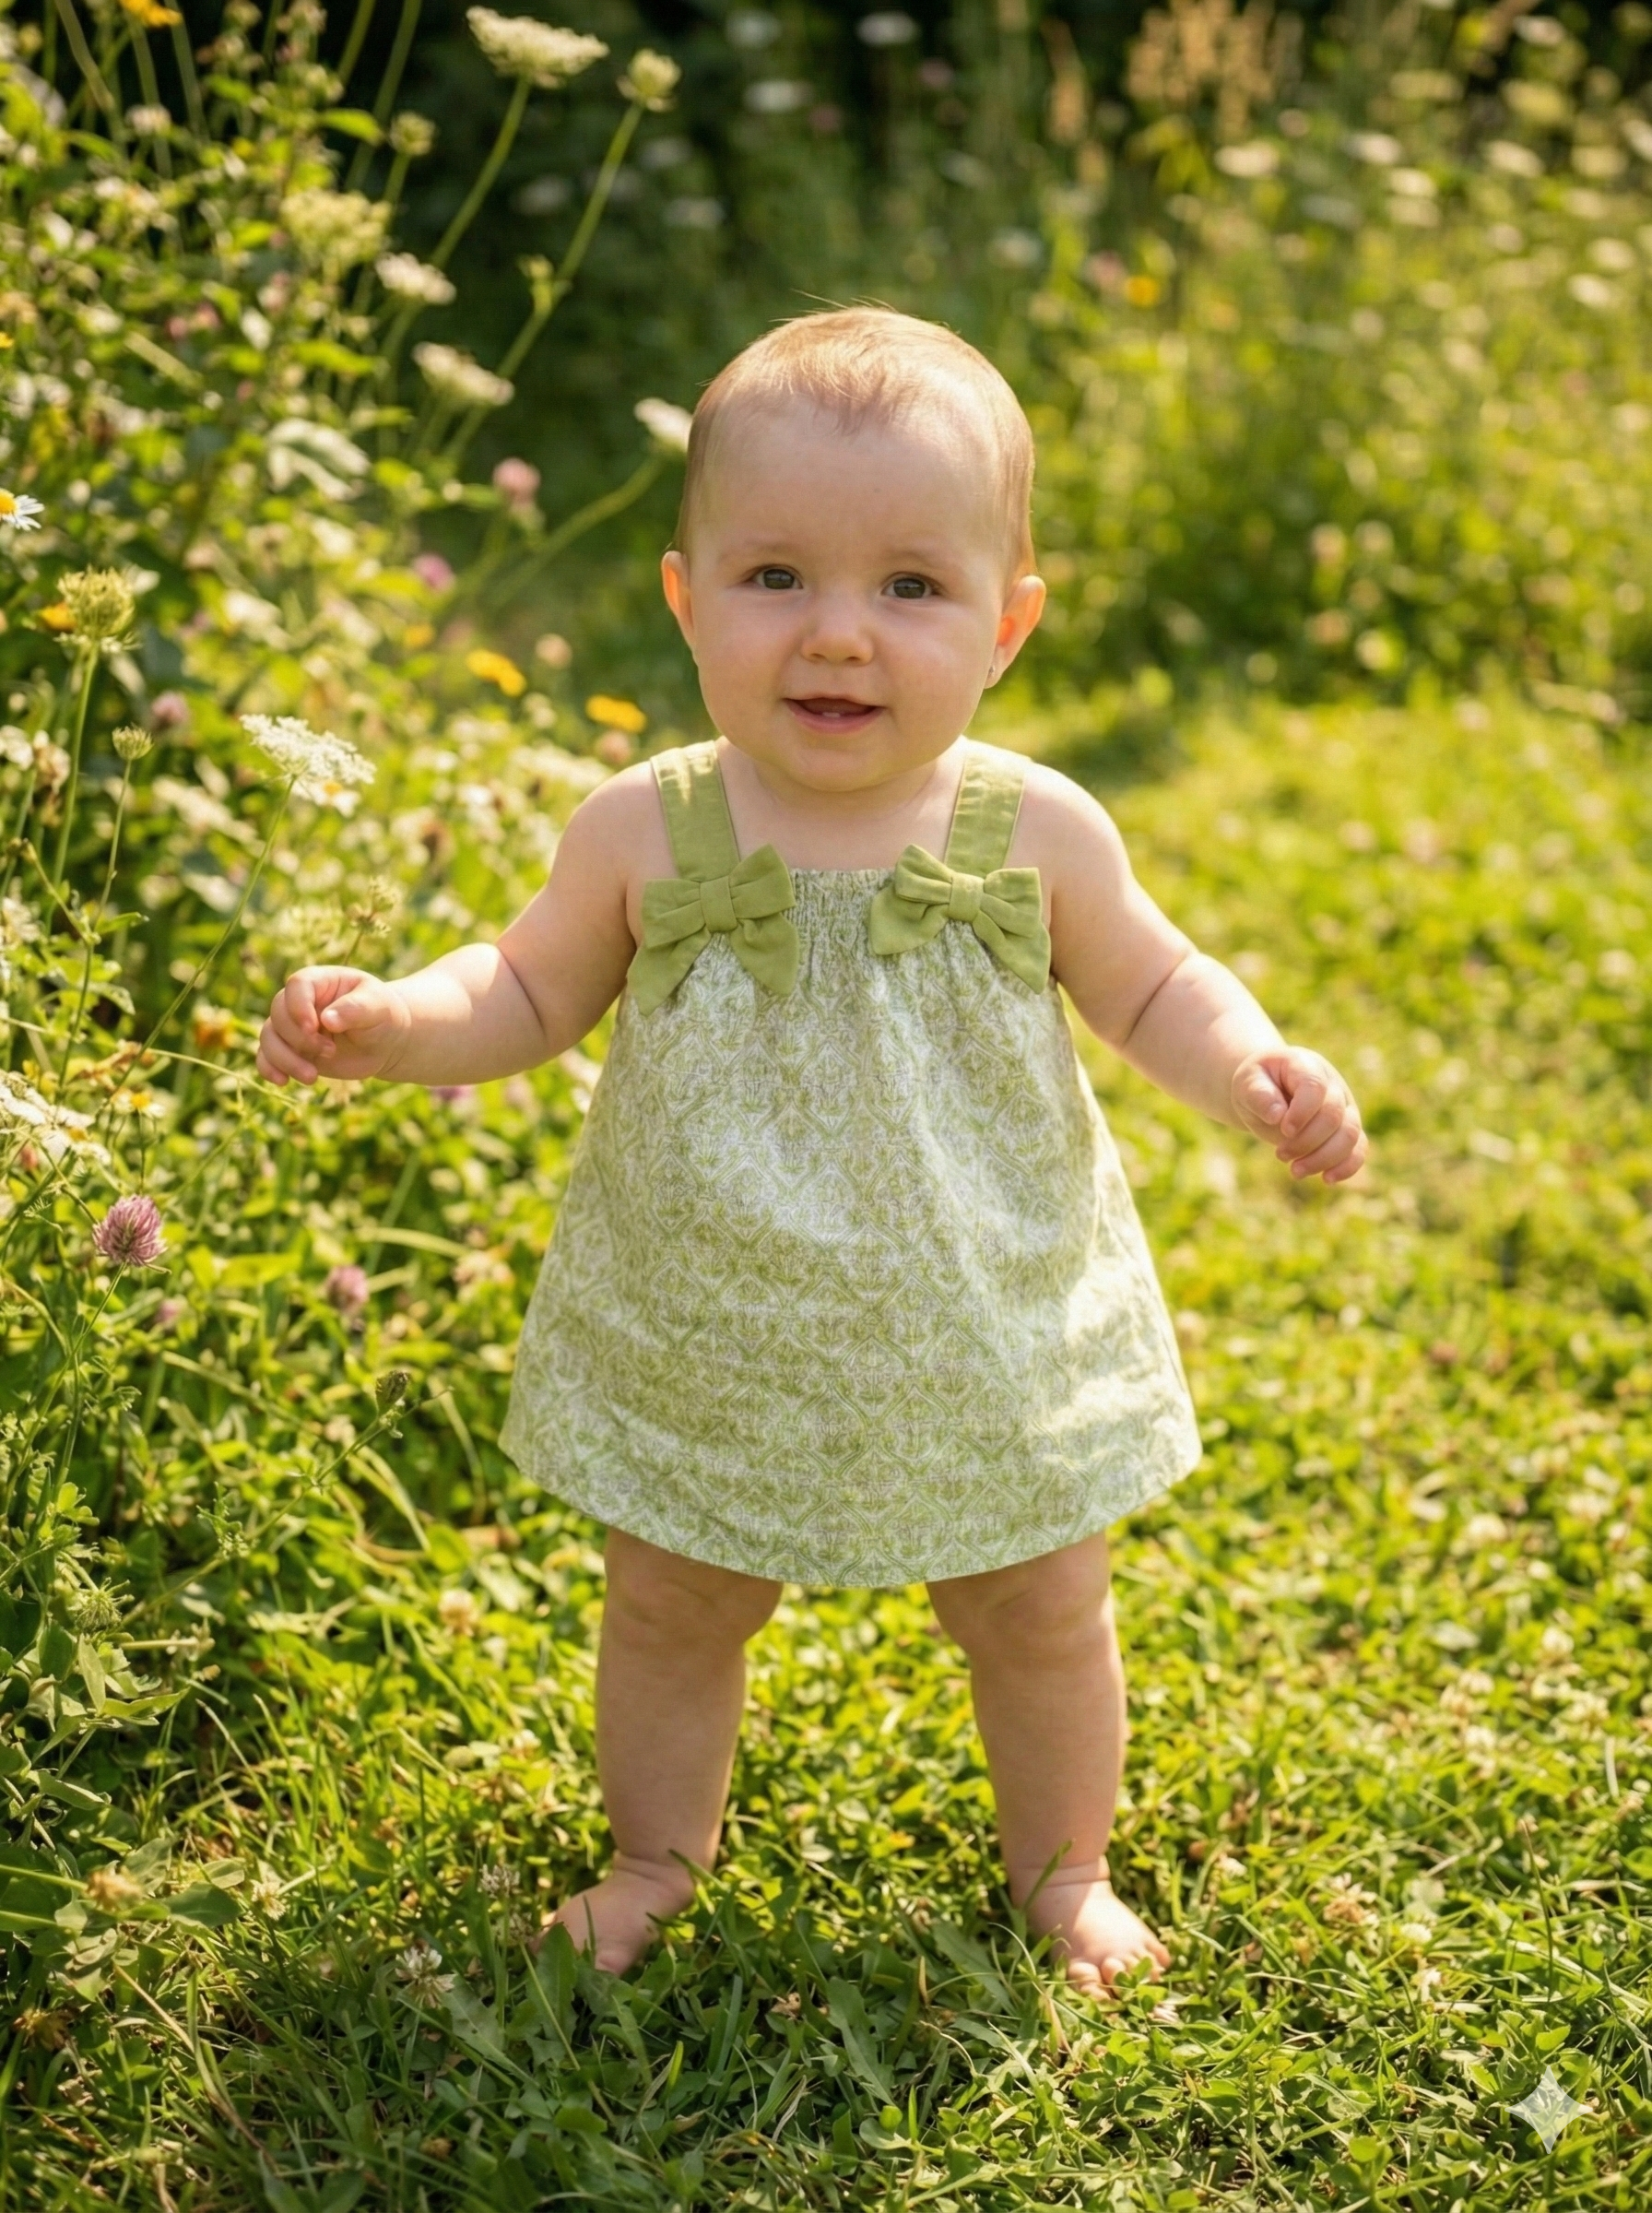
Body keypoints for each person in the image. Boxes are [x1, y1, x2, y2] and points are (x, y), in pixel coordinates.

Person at [257, 307, 1366, 1992]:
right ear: (687, 598)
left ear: (1005, 625)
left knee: (1041, 1609)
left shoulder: (1036, 829)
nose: (838, 636)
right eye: (776, 578)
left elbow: (1153, 982)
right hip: (718, 1323)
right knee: (675, 1608)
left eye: (910, 589)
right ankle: (653, 1858)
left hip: (982, 1321)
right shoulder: (644, 825)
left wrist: (1256, 1065)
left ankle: (1067, 1875)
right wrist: (401, 1023)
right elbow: (529, 983)